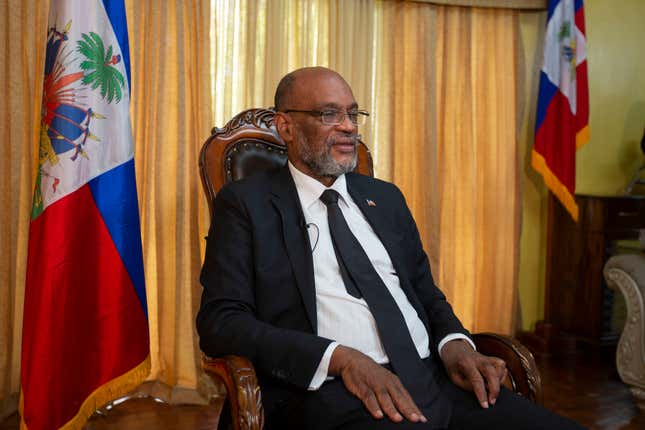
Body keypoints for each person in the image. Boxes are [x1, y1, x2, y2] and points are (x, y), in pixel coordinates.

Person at [197, 67, 585, 430]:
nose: (349, 128)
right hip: (332, 392)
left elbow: (425, 292)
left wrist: (455, 344)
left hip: (433, 377)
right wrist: (341, 358)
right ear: (287, 126)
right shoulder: (246, 204)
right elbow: (222, 322)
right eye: (330, 115)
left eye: (353, 113)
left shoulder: (385, 198)